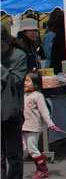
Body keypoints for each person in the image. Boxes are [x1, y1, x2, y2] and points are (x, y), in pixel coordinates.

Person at [21, 71, 56, 179]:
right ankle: (41, 159)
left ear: (35, 84)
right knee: (23, 149)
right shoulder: (23, 95)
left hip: (33, 128)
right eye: (25, 80)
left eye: (28, 81)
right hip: (23, 127)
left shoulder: (38, 96)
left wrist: (50, 123)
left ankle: (42, 168)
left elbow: (44, 111)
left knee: (32, 148)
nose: (25, 83)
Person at [2, 26, 26, 179]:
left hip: (12, 110)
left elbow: (16, 80)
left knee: (14, 154)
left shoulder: (19, 56)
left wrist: (1, 70)